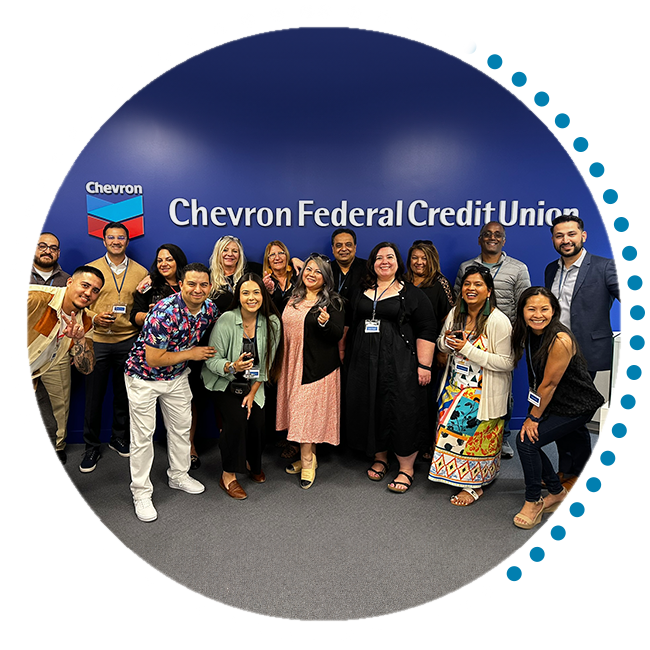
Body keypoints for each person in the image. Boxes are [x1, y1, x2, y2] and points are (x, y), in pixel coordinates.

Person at [124, 263, 219, 522]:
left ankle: (178, 475)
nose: (197, 289)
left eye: (203, 285)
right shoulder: (164, 312)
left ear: (209, 287)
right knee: (143, 436)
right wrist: (191, 354)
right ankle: (141, 492)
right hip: (144, 377)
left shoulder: (210, 309)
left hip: (177, 377)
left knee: (181, 428)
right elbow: (153, 358)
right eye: (191, 284)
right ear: (182, 285)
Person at [344, 243, 436, 493]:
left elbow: (427, 329)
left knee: (402, 408)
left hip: (401, 362)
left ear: (398, 262)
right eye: (379, 257)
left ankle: (406, 468)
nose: (384, 261)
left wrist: (424, 365)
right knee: (372, 405)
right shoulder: (360, 290)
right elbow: (348, 324)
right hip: (363, 362)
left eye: (390, 257)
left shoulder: (412, 294)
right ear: (372, 262)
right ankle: (381, 457)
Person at [511, 287, 604, 529]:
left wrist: (533, 417)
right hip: (554, 401)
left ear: (554, 311)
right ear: (522, 311)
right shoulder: (529, 333)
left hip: (576, 404)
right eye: (531, 309)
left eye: (544, 309)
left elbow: (549, 384)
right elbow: (539, 382)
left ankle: (533, 501)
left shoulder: (560, 339)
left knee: (526, 441)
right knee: (527, 441)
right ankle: (557, 491)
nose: (538, 314)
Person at [544, 215, 622, 496]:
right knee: (557, 411)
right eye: (559, 235)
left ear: (583, 236)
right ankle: (566, 469)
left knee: (574, 415)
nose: (565, 240)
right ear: (553, 239)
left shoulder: (604, 267)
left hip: (585, 355)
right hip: (553, 352)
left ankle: (583, 474)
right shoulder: (551, 269)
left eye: (571, 234)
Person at [429, 265, 514, 505]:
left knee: (477, 441)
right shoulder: (456, 312)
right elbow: (441, 344)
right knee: (455, 437)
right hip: (455, 388)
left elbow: (507, 362)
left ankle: (474, 485)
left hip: (482, 393)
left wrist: (467, 348)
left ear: (489, 291)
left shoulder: (498, 321)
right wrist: (446, 343)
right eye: (467, 284)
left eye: (478, 284)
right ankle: (458, 475)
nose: (471, 289)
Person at [26, 266, 105, 513]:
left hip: (28, 381)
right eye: (84, 285)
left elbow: (86, 367)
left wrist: (80, 340)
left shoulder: (85, 321)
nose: (88, 293)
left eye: (95, 291)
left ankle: (39, 491)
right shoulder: (36, 297)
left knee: (47, 430)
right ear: (70, 282)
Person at [202, 274, 283, 499]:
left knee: (258, 421)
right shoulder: (227, 319)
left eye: (256, 292)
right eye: (245, 292)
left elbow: (268, 362)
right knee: (237, 420)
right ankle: (228, 475)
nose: (251, 297)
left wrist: (253, 391)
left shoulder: (272, 323)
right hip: (223, 381)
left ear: (263, 295)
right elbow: (211, 361)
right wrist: (232, 366)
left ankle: (251, 463)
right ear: (238, 296)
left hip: (254, 384)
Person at [454, 222, 530, 459]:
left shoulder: (518, 268)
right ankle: (468, 434)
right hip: (470, 335)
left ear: (504, 240)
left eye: (498, 235)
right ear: (480, 239)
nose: (492, 238)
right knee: (469, 387)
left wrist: (518, 339)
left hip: (502, 337)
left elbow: (523, 306)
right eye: (487, 234)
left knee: (501, 390)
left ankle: (502, 437)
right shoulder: (467, 266)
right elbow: (458, 299)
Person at [80, 223, 148, 472]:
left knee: (124, 395)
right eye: (111, 237)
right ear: (104, 240)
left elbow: (143, 305)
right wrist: (93, 317)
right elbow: (79, 304)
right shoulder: (92, 270)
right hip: (97, 340)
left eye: (121, 237)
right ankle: (91, 447)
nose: (116, 241)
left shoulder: (141, 272)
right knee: (93, 397)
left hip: (127, 341)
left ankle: (118, 437)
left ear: (127, 241)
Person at [276, 254, 345, 489]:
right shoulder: (292, 299)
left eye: (318, 271)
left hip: (317, 366)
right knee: (301, 412)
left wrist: (325, 323)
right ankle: (311, 456)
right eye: (308, 270)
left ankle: (306, 461)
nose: (311, 274)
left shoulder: (333, 302)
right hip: (292, 363)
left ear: (326, 278)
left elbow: (336, 334)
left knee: (306, 413)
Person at [26, 232, 72, 466]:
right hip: (22, 354)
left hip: (55, 351)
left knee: (59, 400)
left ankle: (57, 446)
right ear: (33, 248)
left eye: (53, 248)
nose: (47, 251)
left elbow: (76, 315)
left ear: (58, 253)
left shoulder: (68, 280)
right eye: (43, 246)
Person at [406, 240, 455, 459]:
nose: (419, 262)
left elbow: (449, 319)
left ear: (431, 259)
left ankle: (426, 443)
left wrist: (442, 351)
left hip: (430, 350)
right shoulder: (403, 280)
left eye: (423, 258)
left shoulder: (440, 283)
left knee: (427, 398)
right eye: (415, 257)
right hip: (404, 349)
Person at [130, 243, 188, 327]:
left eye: (169, 260)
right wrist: (148, 316)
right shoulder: (149, 285)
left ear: (178, 261)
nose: (163, 264)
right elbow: (133, 317)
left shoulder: (189, 285)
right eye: (160, 261)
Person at [209, 235, 263, 312]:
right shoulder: (208, 277)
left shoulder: (250, 273)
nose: (230, 254)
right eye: (225, 250)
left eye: (235, 251)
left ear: (239, 255)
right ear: (218, 253)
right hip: (220, 321)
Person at [261, 240, 297, 313]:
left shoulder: (297, 276)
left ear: (287, 257)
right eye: (272, 255)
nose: (277, 258)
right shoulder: (265, 282)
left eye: (281, 253)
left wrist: (295, 260)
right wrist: (269, 293)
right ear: (268, 262)